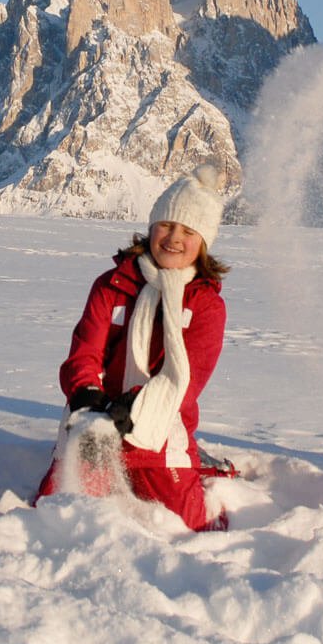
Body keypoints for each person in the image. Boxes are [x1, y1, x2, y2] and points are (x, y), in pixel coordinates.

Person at [35, 166, 233, 531]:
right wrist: (87, 397)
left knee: (187, 525)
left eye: (188, 231)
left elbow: (187, 382)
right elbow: (85, 352)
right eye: (166, 225)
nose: (174, 238)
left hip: (159, 423)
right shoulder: (112, 285)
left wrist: (136, 407)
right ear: (151, 227)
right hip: (97, 419)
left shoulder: (205, 304)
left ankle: (201, 468)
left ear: (203, 242)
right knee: (55, 511)